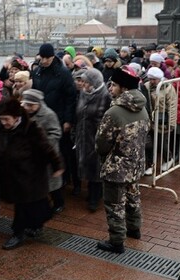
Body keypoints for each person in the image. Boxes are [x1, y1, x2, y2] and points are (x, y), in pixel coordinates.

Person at [0, 97, 63, 250]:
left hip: (30, 173)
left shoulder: (31, 128)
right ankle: (35, 224)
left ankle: (18, 233)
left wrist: (56, 165)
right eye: (1, 119)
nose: (4, 122)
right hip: (9, 172)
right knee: (29, 203)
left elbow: (46, 147)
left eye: (7, 119)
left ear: (16, 117)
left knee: (23, 203)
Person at [95, 68, 149, 254]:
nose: (110, 88)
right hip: (135, 165)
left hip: (116, 167)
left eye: (114, 84)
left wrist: (104, 156)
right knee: (133, 198)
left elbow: (102, 142)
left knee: (115, 204)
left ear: (124, 88)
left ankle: (116, 241)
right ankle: (135, 229)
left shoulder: (114, 112)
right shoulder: (143, 108)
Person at [32, 43, 79, 201]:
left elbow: (70, 98)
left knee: (64, 151)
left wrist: (68, 120)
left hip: (58, 116)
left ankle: (69, 180)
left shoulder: (63, 73)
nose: (44, 61)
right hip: (41, 116)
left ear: (53, 57)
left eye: (48, 58)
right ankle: (52, 181)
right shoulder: (37, 71)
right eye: (42, 57)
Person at [20, 89, 63, 220]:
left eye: (31, 105)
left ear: (38, 104)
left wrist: (42, 144)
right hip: (31, 156)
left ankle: (59, 203)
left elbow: (56, 133)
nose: (28, 108)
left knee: (52, 184)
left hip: (47, 155)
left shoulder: (49, 115)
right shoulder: (24, 114)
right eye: (26, 105)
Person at [74, 68, 111, 212]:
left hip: (97, 136)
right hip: (83, 134)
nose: (82, 84)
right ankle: (91, 192)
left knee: (96, 166)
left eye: (86, 82)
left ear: (94, 83)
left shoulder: (105, 96)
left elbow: (108, 119)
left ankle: (95, 197)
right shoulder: (83, 94)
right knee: (87, 163)